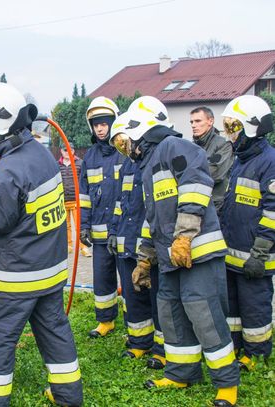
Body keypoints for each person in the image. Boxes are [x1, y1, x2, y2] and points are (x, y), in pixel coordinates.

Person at [0, 82, 83, 407]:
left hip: (16, 279)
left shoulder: (10, 169)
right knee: (56, 335)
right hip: (50, 273)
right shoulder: (39, 154)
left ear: (0, 123)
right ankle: (69, 397)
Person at [115, 100, 239, 407]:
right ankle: (182, 372)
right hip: (170, 256)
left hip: (197, 252)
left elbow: (196, 185)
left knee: (204, 313)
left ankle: (227, 383)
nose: (126, 147)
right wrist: (146, 258)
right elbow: (152, 219)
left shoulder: (174, 147)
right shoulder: (147, 168)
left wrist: (184, 237)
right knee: (170, 312)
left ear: (141, 129)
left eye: (127, 139)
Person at [219, 95, 275, 373]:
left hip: (255, 257)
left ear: (253, 127)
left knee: (254, 308)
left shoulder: (270, 161)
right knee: (233, 307)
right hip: (232, 254)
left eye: (233, 128)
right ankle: (236, 346)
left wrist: (260, 254)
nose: (230, 135)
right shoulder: (240, 159)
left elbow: (273, 213)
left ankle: (257, 353)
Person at [107, 107, 166, 370]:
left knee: (160, 301)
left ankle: (162, 349)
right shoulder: (128, 166)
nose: (126, 148)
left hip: (150, 246)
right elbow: (121, 203)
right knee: (133, 296)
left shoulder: (156, 162)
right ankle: (139, 342)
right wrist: (114, 231)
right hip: (128, 243)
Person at [79, 96, 123, 339]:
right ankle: (105, 320)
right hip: (98, 233)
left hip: (123, 232)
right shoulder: (90, 157)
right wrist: (84, 226)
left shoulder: (123, 152)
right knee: (102, 277)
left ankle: (135, 319)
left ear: (113, 123)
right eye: (96, 124)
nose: (100, 128)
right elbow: (84, 195)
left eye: (104, 123)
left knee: (129, 279)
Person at [190, 106, 233, 213]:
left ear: (210, 121)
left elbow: (216, 173)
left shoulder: (223, 144)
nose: (193, 125)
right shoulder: (189, 146)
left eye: (198, 121)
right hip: (193, 203)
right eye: (191, 122)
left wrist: (189, 173)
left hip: (216, 205)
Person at [58, 143, 91, 257]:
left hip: (77, 200)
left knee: (79, 225)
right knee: (66, 226)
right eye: (65, 150)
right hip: (63, 200)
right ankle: (69, 246)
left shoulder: (80, 163)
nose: (68, 152)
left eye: (70, 149)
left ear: (73, 151)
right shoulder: (58, 165)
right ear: (61, 151)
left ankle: (84, 247)